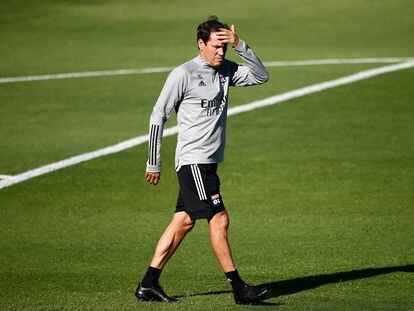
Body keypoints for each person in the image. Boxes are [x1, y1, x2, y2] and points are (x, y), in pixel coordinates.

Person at [135, 16, 270, 304]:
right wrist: (153, 162)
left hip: (208, 163)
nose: (221, 53)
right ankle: (239, 289)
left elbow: (261, 75)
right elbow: (158, 115)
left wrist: (239, 45)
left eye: (224, 47)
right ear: (201, 45)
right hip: (193, 161)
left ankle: (148, 284)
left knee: (183, 222)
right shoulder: (183, 75)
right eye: (216, 47)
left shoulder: (226, 70)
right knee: (219, 219)